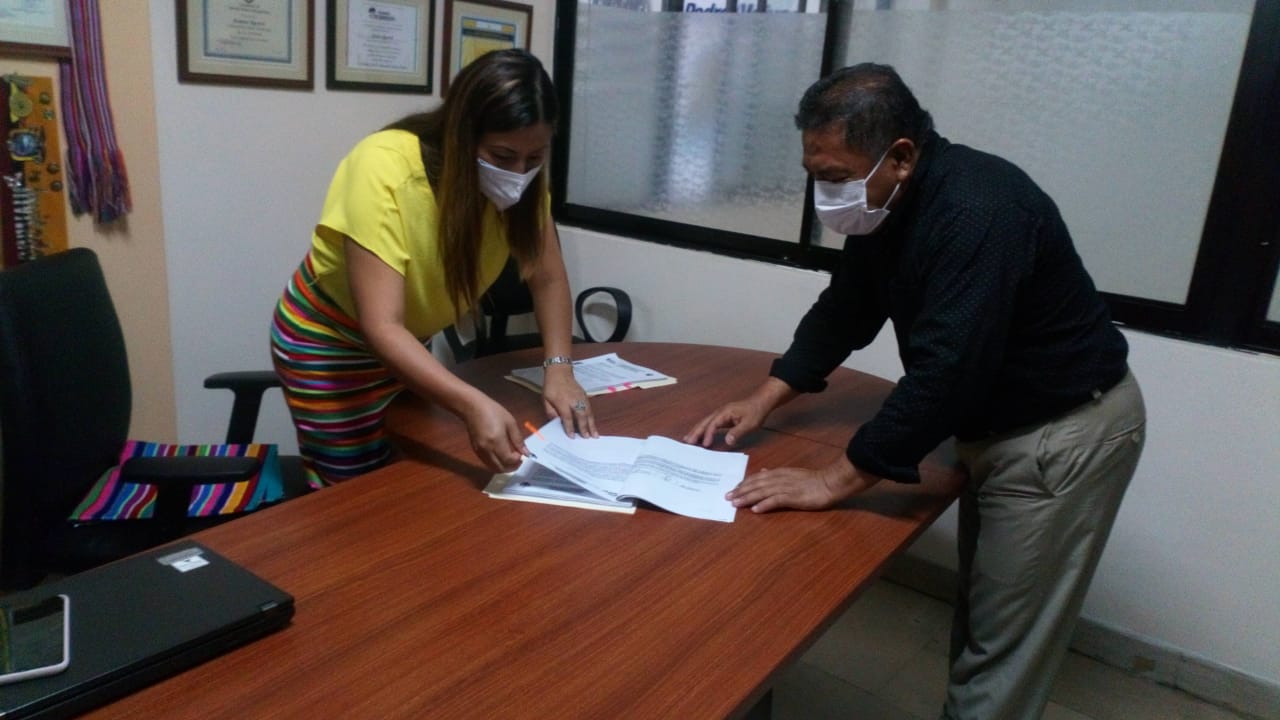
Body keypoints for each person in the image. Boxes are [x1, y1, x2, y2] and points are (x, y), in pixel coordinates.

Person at [685, 63, 1146, 720]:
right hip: (996, 422)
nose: (824, 194)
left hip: (1061, 432)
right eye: (814, 175)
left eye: (835, 177)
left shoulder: (981, 210)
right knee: (987, 614)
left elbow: (947, 373)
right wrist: (766, 396)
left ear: (900, 156)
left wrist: (834, 479)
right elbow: (846, 307)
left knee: (1002, 654)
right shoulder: (889, 204)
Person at [271, 49, 596, 489]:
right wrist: (470, 403)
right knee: (354, 490)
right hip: (330, 343)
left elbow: (548, 278)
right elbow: (382, 325)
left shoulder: (526, 185)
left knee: (410, 470)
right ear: (461, 136)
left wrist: (559, 369)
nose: (519, 174)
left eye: (534, 158)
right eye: (502, 156)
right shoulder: (383, 166)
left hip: (406, 344)